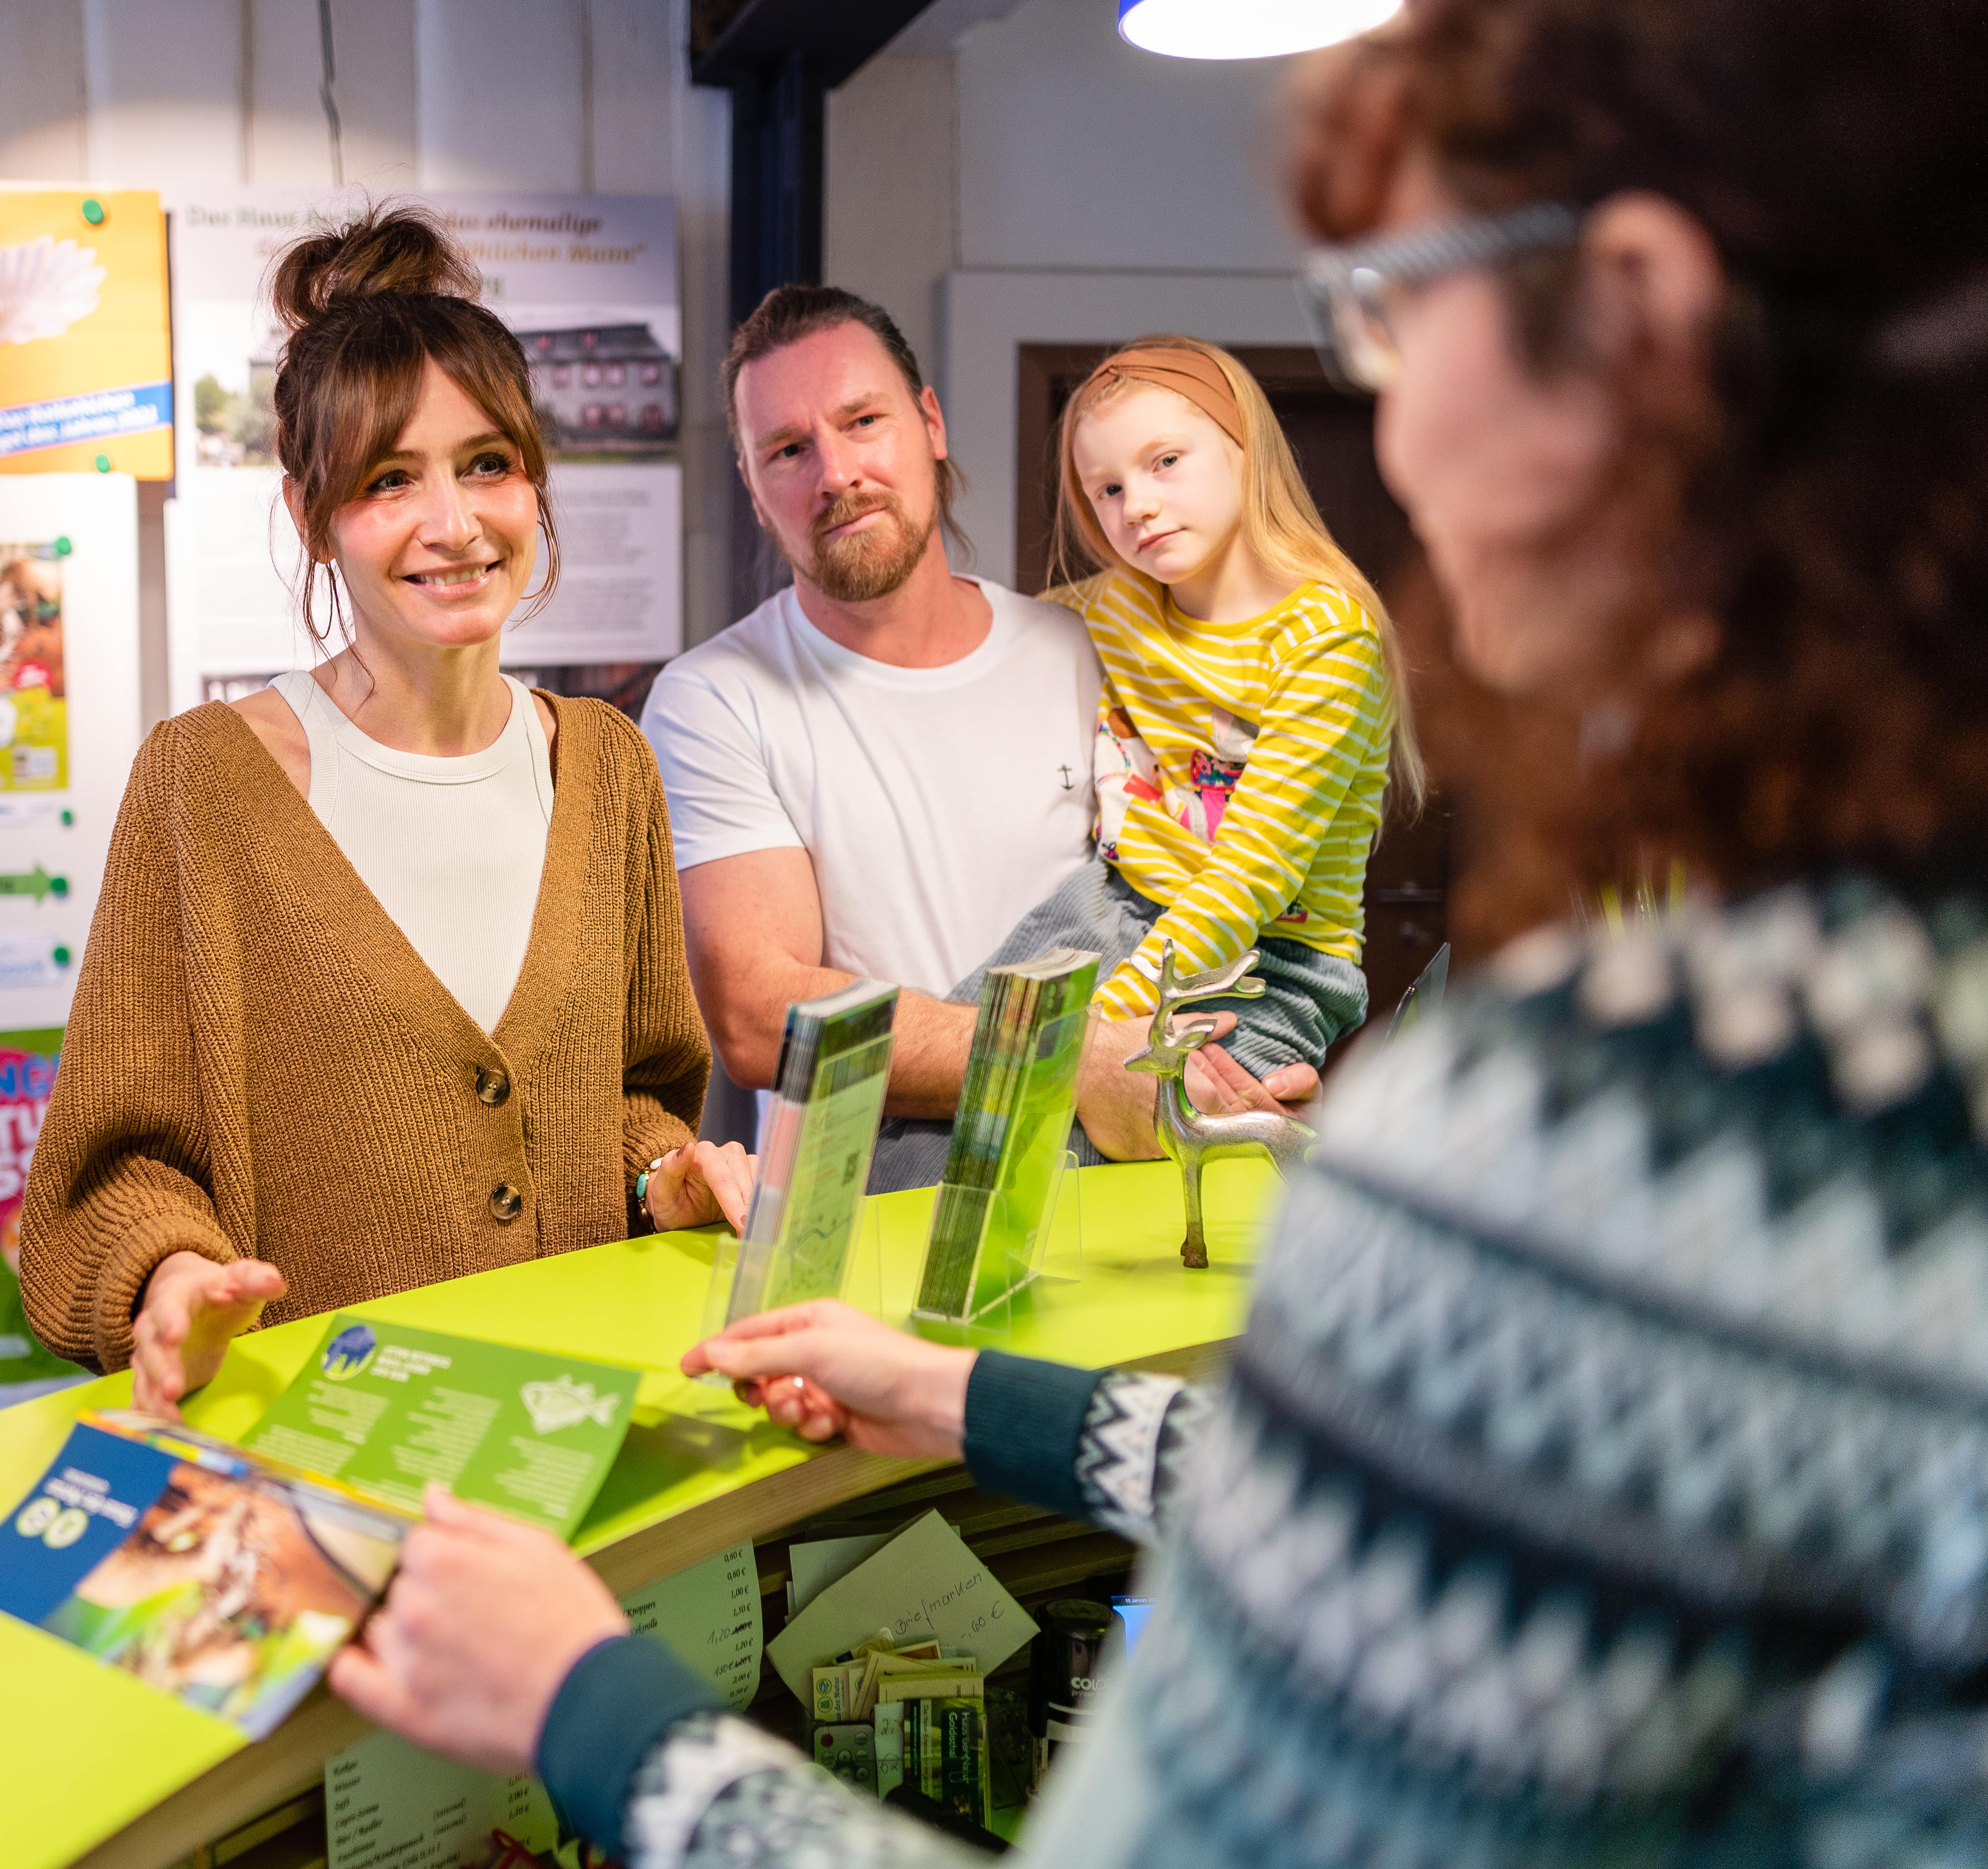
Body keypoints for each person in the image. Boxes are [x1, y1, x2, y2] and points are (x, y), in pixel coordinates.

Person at [325, 0, 1988, 1862]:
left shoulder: (1599, 1135)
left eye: (1396, 304)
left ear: (1642, 319)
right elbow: (1401, 1517)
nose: (1400, 440)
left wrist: (596, 1711)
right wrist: (976, 1401)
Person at [14, 206, 751, 1415]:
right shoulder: (207, 781)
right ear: (315, 519)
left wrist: (663, 1175)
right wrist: (174, 1275)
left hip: (586, 1443)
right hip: (328, 1471)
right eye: (389, 481)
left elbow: (627, 1098)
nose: (453, 525)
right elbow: (113, 1172)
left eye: (486, 466)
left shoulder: (608, 767)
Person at [641, 287, 1125, 1179]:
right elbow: (760, 1018)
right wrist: (1070, 1059)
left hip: (1104, 1193)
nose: (835, 474)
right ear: (753, 489)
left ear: (930, 423)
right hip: (864, 1228)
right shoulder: (716, 699)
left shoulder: (1079, 653)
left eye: (863, 421)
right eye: (788, 450)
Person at [984, 333, 1423, 1162]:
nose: (1136, 506)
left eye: (1165, 463)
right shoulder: (1114, 606)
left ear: (1244, 452)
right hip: (1106, 911)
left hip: (1271, 962)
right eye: (1106, 488)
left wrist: (1102, 1029)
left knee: (1065, 1155)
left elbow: (1251, 874)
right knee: (938, 1104)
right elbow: (982, 637)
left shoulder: (1327, 634)